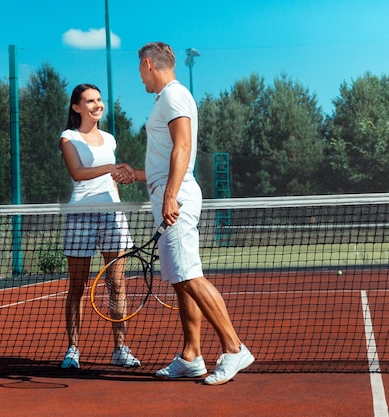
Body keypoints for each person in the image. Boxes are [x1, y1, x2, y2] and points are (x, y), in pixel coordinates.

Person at [122, 42, 254, 385]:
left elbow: (182, 147)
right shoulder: (164, 99)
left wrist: (169, 195)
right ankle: (192, 355)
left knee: (190, 276)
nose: (140, 77)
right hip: (169, 192)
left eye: (140, 69)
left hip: (176, 196)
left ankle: (234, 348)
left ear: (149, 64)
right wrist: (137, 174)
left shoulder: (173, 96)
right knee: (182, 282)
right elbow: (168, 155)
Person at [58, 83, 140, 369]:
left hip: (112, 215)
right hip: (81, 215)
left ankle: (120, 348)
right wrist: (110, 168)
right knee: (77, 286)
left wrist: (124, 177)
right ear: (77, 107)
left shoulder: (109, 138)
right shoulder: (68, 137)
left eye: (100, 100)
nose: (97, 105)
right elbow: (78, 174)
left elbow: (112, 177)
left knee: (116, 284)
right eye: (90, 101)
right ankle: (73, 350)